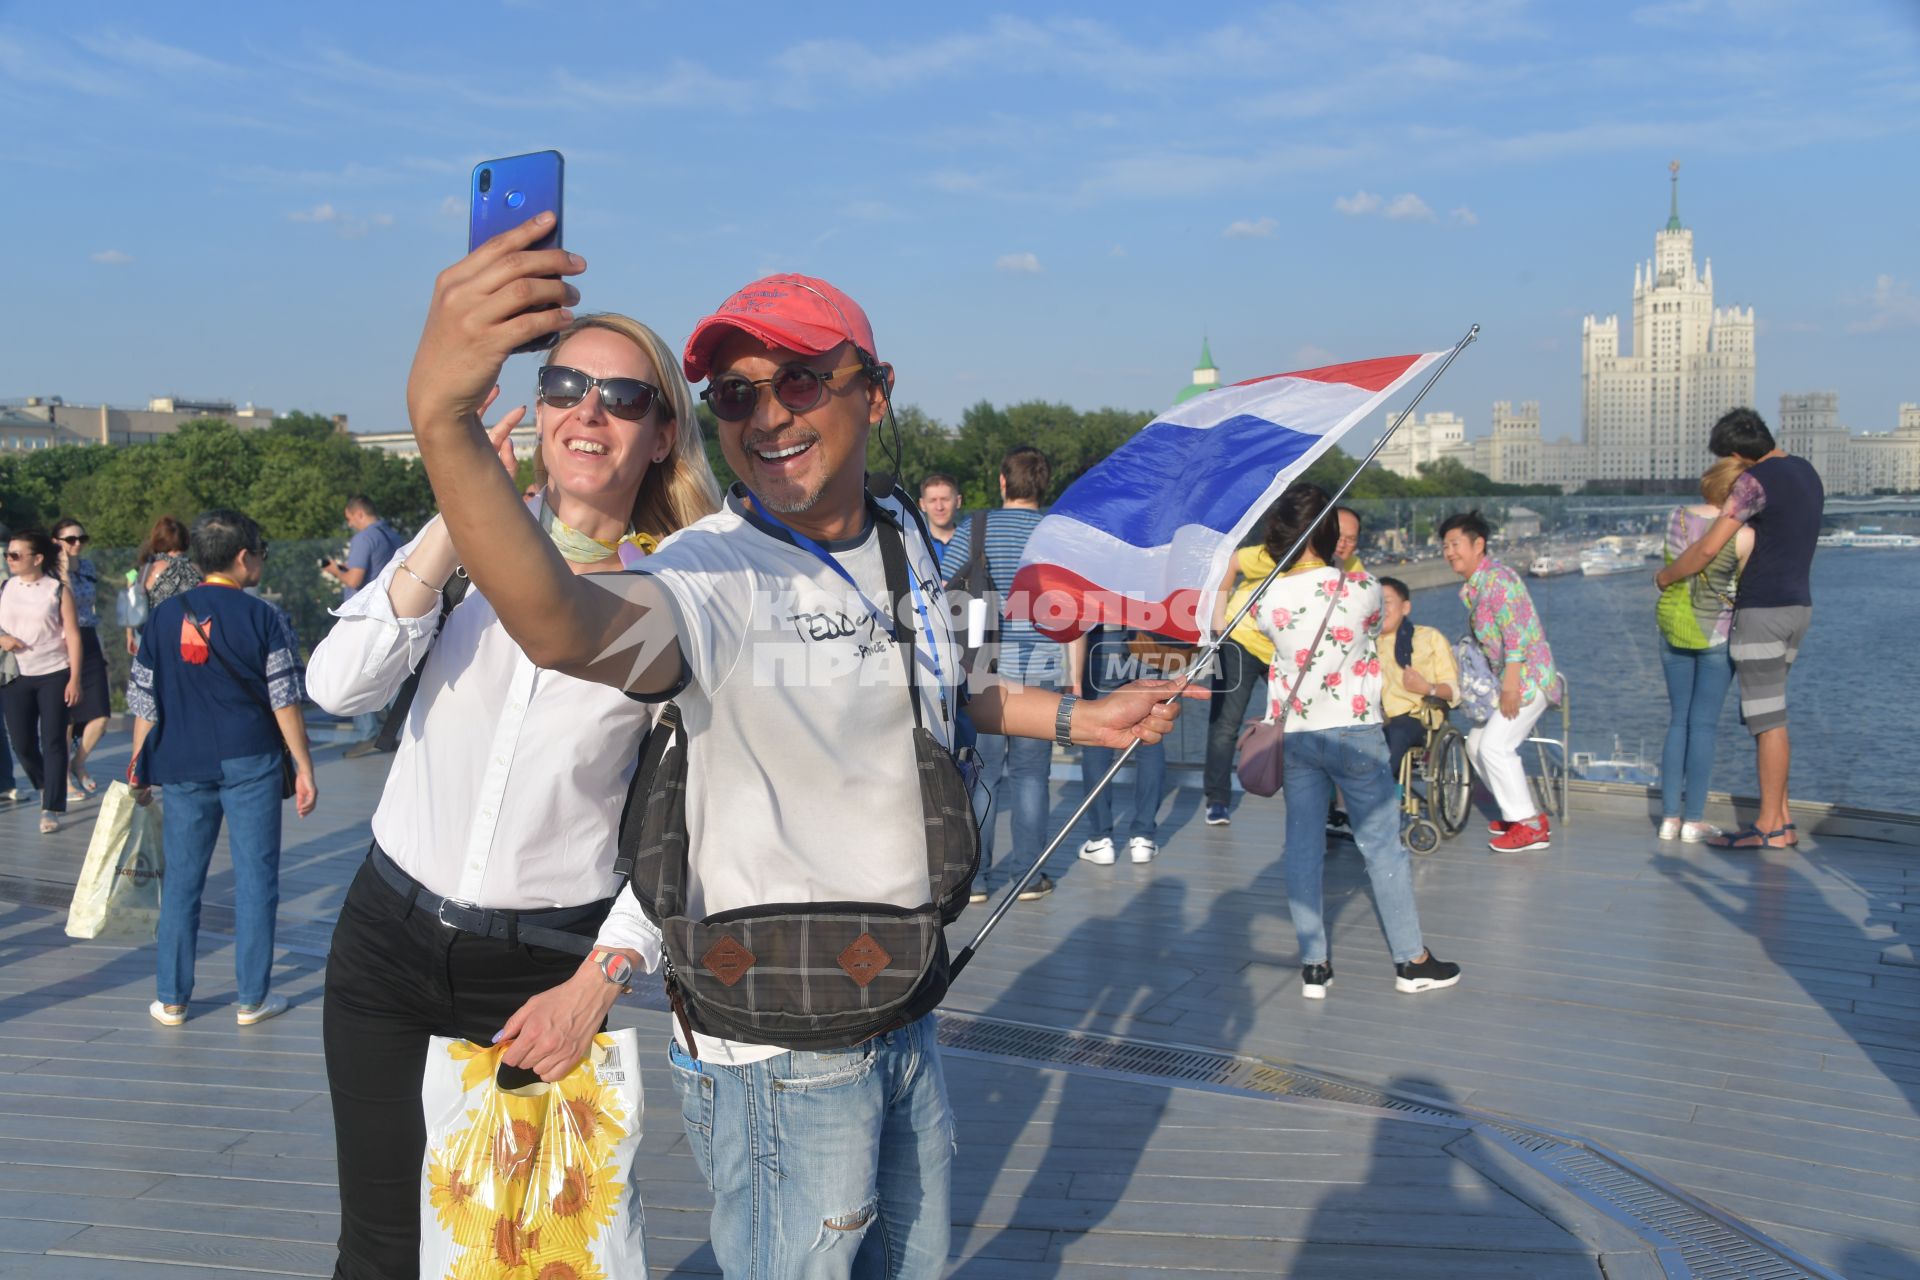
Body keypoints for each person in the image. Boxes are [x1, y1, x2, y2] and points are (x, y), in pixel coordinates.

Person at [403, 223, 1189, 1279]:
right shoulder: (706, 577)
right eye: (735, 394)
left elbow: (937, 688)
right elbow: (560, 622)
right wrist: (445, 423)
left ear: (875, 392)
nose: (768, 413)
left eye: (803, 380)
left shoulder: (907, 541)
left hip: (903, 997)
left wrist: (1079, 720)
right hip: (773, 1038)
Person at [307, 312, 721, 1279]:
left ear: (663, 434)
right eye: (566, 388)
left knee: (524, 1254)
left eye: (624, 398)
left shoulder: (681, 596)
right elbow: (338, 688)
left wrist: (596, 987)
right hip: (385, 942)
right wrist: (461, 508)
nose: (590, 413)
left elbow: (689, 823)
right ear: (536, 413)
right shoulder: (464, 559)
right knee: (377, 1245)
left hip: (539, 970)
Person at [1251, 483, 1460, 1000]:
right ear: (1326, 533)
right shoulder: (1362, 589)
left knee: (1302, 847)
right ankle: (1411, 961)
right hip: (1356, 731)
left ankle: (1315, 965)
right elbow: (1372, 625)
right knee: (1382, 847)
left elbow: (1258, 633)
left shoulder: (1268, 596)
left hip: (1297, 734)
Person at [128, 509, 317, 1027]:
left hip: (182, 763)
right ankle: (251, 999)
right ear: (242, 557)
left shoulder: (164, 615)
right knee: (256, 880)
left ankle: (172, 998)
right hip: (251, 759)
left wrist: (138, 764)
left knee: (183, 882)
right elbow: (284, 697)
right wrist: (302, 765)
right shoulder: (265, 618)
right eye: (259, 553)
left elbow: (144, 698)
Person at [1656, 408, 1822, 849]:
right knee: (1773, 713)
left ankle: (1768, 828)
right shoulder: (1806, 471)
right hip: (1798, 607)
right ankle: (1782, 820)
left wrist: (1666, 576)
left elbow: (1709, 547)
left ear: (1736, 455)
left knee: (1767, 723)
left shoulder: (1754, 483)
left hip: (1762, 612)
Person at [941, 445, 1070, 902]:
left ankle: (974, 880)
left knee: (985, 774)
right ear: (1044, 484)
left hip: (983, 671)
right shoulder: (1059, 534)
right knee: (1033, 776)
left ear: (1002, 481)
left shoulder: (977, 527)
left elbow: (941, 584)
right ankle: (1030, 877)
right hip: (1044, 666)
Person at [1440, 510, 1561, 853]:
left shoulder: (1498, 580)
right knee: (1477, 746)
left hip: (1528, 679)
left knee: (1495, 746)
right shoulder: (1476, 586)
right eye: (1446, 546)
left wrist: (1510, 687)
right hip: (1513, 679)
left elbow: (1517, 636)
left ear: (1479, 544)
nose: (1450, 552)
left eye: (1456, 544)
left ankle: (1529, 825)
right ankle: (1518, 814)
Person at [1653, 456, 1754, 842]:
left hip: (1672, 627)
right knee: (1704, 726)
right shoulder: (1744, 535)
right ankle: (1693, 819)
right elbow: (1744, 588)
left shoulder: (1675, 517)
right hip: (1716, 634)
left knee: (1678, 721)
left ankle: (1668, 819)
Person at [0, 529, 82, 833]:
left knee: (53, 740)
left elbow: (73, 634)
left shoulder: (57, 590)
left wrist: (75, 677)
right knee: (21, 743)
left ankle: (51, 807)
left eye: (16, 555)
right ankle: (47, 783)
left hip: (54, 673)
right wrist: (3, 638)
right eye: (8, 554)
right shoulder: (6, 587)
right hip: (15, 674)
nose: (9, 559)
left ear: (37, 558)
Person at [1201, 515, 1280, 826]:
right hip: (1240, 641)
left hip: (1285, 650)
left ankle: (1297, 788)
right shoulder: (1268, 554)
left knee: (1298, 723)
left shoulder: (1321, 565)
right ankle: (1217, 800)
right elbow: (1230, 563)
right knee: (1225, 724)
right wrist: (1219, 622)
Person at [1073, 626, 1168, 865]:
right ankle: (1143, 837)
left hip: (1103, 639)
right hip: (1148, 635)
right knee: (1150, 735)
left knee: (1097, 735)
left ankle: (1100, 839)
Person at [323, 496, 405, 754]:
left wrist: (335, 571)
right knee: (387, 671)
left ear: (358, 514)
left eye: (349, 519)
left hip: (363, 614)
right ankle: (395, 728)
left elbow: (355, 579)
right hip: (391, 610)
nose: (350, 525)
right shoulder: (393, 536)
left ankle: (369, 732)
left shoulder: (363, 539)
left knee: (353, 672)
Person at [1376, 576, 1459, 784]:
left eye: (1385, 602)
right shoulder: (1365, 642)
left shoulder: (1429, 638)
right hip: (1374, 717)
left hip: (1416, 719)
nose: (1380, 609)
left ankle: (1373, 794)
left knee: (1395, 734)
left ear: (1405, 607)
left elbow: (1454, 691)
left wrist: (1427, 688)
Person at [50, 518, 111, 797]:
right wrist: (63, 571)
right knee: (67, 716)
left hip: (88, 635)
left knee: (100, 715)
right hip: (61, 641)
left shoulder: (87, 566)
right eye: (70, 539)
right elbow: (68, 605)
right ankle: (62, 778)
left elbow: (90, 604)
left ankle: (79, 763)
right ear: (56, 542)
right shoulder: (49, 572)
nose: (77, 544)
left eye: (81, 539)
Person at [126, 515, 202, 656]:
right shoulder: (198, 570)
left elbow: (135, 604)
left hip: (157, 639)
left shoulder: (148, 570)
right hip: (192, 639)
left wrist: (129, 634)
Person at [917, 471, 961, 564]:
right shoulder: (915, 546)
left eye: (945, 499)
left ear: (958, 501)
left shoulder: (973, 545)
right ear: (922, 504)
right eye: (932, 500)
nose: (939, 507)